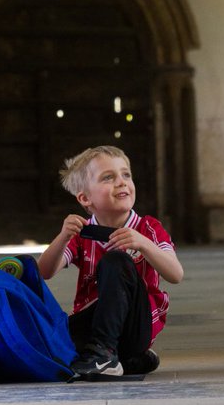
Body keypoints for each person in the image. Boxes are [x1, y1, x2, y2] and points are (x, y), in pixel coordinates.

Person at [38, 145, 183, 379]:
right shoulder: (82, 233)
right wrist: (63, 236)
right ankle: (130, 360)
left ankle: (104, 354)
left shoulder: (147, 228)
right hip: (94, 325)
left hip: (135, 325)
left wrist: (144, 244)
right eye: (108, 177)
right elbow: (43, 271)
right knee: (50, 338)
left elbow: (176, 274)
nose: (121, 182)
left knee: (116, 261)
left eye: (126, 174)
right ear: (85, 198)